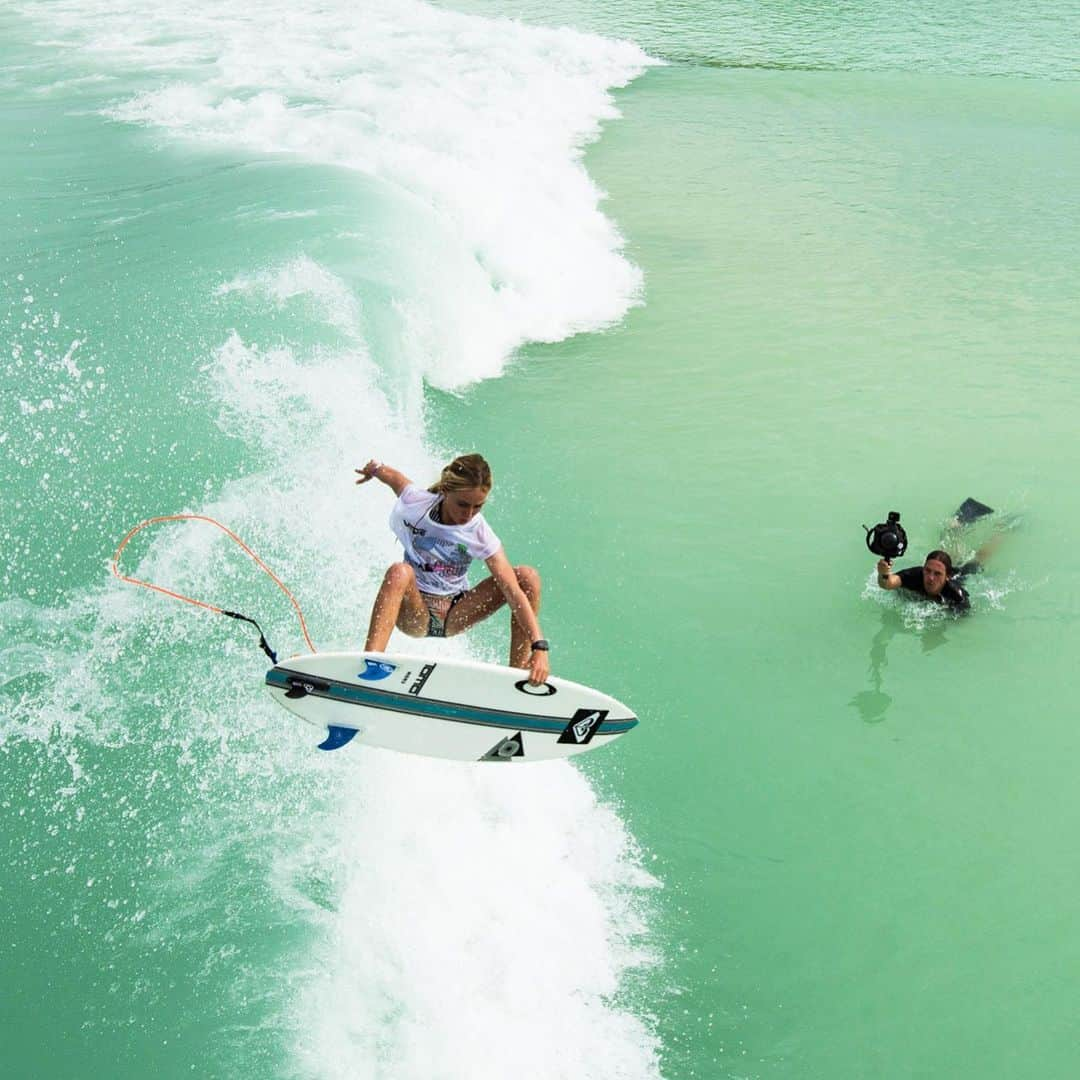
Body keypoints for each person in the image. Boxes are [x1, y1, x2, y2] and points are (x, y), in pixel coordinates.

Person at [355, 453, 550, 685]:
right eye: (463, 504)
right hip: (416, 613)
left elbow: (513, 591)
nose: (468, 514)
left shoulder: (479, 533)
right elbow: (394, 478)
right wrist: (375, 468)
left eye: (478, 506)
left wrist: (540, 647)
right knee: (400, 572)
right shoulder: (417, 503)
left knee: (527, 577)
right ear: (446, 490)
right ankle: (371, 663)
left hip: (455, 613)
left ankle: (517, 679)